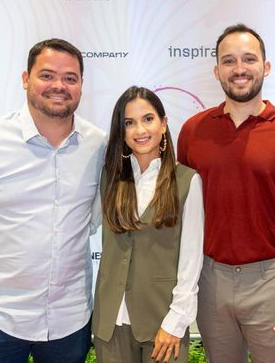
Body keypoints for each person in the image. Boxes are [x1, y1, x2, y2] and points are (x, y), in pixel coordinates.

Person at [0, 38, 106, 362]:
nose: (59, 85)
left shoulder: (98, 145)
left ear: (81, 85)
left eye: (70, 78)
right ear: (26, 79)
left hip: (71, 322)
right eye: (47, 75)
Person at [177, 24, 275, 363]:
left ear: (266, 67)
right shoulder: (192, 131)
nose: (239, 69)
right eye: (228, 61)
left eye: (248, 59)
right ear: (216, 71)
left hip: (272, 281)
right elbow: (181, 213)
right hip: (210, 279)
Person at [92, 86, 204, 363]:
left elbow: (191, 260)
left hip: (162, 322)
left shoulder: (187, 180)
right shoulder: (108, 177)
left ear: (164, 124)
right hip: (110, 323)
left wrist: (176, 322)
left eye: (148, 119)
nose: (139, 129)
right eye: (129, 123)